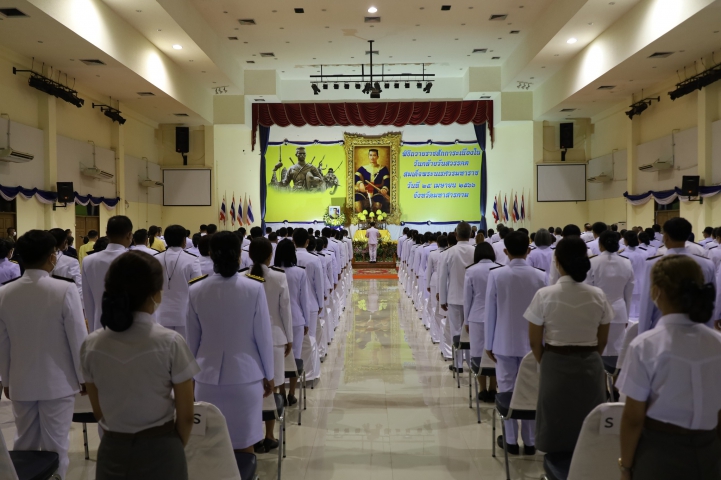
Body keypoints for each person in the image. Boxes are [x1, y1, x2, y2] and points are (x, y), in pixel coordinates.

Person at [81, 251, 199, 480]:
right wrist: (173, 447)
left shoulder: (91, 344)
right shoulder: (170, 342)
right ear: (155, 294)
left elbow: (99, 410)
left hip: (113, 448)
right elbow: (186, 414)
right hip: (162, 447)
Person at [618, 255, 721, 480]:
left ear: (657, 292)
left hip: (659, 452)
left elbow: (633, 417)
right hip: (709, 450)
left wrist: (625, 467)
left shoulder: (645, 345)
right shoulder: (717, 342)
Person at [0, 230, 87, 478]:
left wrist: (6, 380)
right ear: (52, 257)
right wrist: (84, 377)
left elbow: (3, 344)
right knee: (57, 444)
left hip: (21, 380)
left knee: (24, 442)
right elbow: (78, 338)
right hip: (58, 382)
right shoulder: (64, 290)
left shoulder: (4, 293)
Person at [187, 232, 274, 454]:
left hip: (206, 379)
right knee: (245, 444)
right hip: (246, 377)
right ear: (239, 255)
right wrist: (269, 375)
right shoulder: (254, 288)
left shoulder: (195, 289)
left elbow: (191, 342)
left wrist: (190, 378)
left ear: (210, 254)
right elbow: (263, 337)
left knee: (210, 447)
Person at [525, 236, 611, 456]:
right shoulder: (598, 295)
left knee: (556, 419)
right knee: (588, 418)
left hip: (555, 360)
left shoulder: (545, 295)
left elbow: (534, 340)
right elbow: (602, 340)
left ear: (557, 262)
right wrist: (588, 354)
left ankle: (554, 465)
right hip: (590, 362)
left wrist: (548, 360)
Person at [485, 231, 546, 455]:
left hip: (504, 341)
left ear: (505, 251)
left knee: (507, 389)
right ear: (528, 250)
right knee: (530, 390)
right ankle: (530, 442)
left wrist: (488, 343)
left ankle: (510, 440)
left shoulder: (497, 275)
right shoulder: (541, 276)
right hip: (533, 344)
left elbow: (491, 312)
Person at [247, 238, 293, 453]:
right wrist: (289, 338)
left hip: (249, 340)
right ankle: (269, 435)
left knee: (253, 387)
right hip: (275, 337)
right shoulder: (279, 276)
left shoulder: (242, 277)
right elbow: (285, 311)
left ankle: (253, 435)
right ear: (270, 256)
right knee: (271, 387)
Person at [638, 217, 716, 334]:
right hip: (696, 328)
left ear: (665, 236)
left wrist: (642, 334)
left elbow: (647, 303)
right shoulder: (706, 264)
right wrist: (708, 331)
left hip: (661, 329)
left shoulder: (653, 264)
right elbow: (710, 300)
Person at [586, 231, 635, 356]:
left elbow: (588, 291)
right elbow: (628, 294)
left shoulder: (593, 262)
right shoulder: (626, 262)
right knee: (617, 352)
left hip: (597, 311)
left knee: (598, 351)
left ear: (600, 244)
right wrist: (626, 315)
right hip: (619, 311)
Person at [274, 239, 310, 405]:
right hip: (296, 319)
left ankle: (281, 391)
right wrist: (306, 321)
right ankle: (292, 393)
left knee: (279, 358)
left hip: (276, 321)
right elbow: (304, 300)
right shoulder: (299, 272)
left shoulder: (272, 272)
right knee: (295, 356)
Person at [82, 216, 133, 332]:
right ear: (129, 235)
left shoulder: (88, 261)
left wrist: (92, 330)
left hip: (99, 324)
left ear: (106, 233)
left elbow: (88, 300)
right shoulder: (135, 259)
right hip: (130, 326)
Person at [463, 242, 499, 402]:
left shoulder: (471, 270)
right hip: (496, 317)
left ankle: (482, 389)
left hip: (476, 316)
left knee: (478, 353)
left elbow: (467, 298)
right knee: (495, 352)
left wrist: (466, 320)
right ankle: (493, 388)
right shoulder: (499, 269)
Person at [439, 222, 476, 372]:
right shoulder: (475, 251)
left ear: (456, 234)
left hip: (454, 297)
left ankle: (458, 364)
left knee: (456, 331)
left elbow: (442, 278)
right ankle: (471, 362)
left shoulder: (449, 252)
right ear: (470, 234)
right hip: (473, 299)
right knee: (471, 331)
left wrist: (442, 299)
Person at [154, 225, 202, 339]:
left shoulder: (155, 259)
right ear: (184, 240)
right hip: (184, 313)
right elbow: (197, 288)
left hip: (160, 313)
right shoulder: (192, 260)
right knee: (183, 347)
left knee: (163, 348)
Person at [293, 229, 325, 382]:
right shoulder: (313, 259)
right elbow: (319, 284)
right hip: (311, 304)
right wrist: (321, 303)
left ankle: (292, 373)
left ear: (293, 241)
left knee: (294, 342)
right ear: (307, 242)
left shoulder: (288, 257)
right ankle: (309, 372)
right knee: (309, 339)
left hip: (292, 305)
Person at [48, 228, 83, 302]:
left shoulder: (39, 259)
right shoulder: (71, 261)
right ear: (65, 242)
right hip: (64, 300)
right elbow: (78, 286)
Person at [354, 148, 390, 213]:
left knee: (378, 201)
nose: (372, 157)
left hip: (377, 191)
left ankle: (375, 218)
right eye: (370, 155)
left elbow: (387, 180)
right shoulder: (363, 168)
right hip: (365, 191)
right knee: (356, 197)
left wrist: (385, 189)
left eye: (374, 155)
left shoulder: (383, 168)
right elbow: (356, 177)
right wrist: (360, 183)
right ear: (368, 156)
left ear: (377, 157)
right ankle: (360, 217)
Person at [620, 231, 647, 319]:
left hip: (629, 283)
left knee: (630, 309)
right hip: (643, 282)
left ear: (626, 240)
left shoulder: (623, 255)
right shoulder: (645, 253)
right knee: (640, 308)